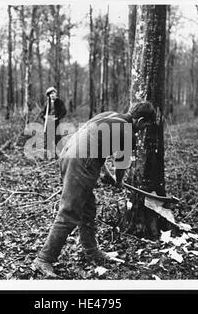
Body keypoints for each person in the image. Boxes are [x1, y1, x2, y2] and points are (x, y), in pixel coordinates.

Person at [33, 101, 156, 277]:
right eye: (145, 125)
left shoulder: (111, 116)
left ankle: (91, 250)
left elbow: (96, 144)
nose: (144, 130)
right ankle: (44, 259)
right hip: (81, 162)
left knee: (88, 207)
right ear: (141, 120)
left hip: (69, 153)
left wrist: (106, 174)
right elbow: (122, 164)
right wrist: (119, 181)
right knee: (69, 211)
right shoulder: (128, 131)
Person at [41, 87, 67, 154]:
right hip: (48, 122)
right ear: (49, 95)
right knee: (47, 138)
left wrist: (57, 118)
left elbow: (64, 111)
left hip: (55, 121)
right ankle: (47, 154)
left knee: (57, 138)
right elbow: (43, 112)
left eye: (53, 93)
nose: (52, 95)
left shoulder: (59, 102)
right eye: (50, 94)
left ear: (55, 93)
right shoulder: (47, 103)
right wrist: (44, 116)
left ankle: (62, 153)